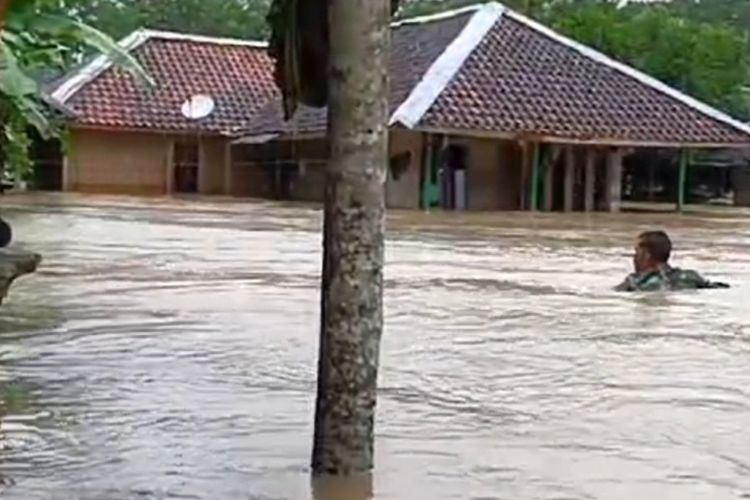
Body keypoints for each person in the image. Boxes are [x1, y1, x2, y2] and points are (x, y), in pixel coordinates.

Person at [615, 230, 729, 292]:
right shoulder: (691, 276)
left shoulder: (634, 282)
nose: (634, 257)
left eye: (636, 252)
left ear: (646, 255)